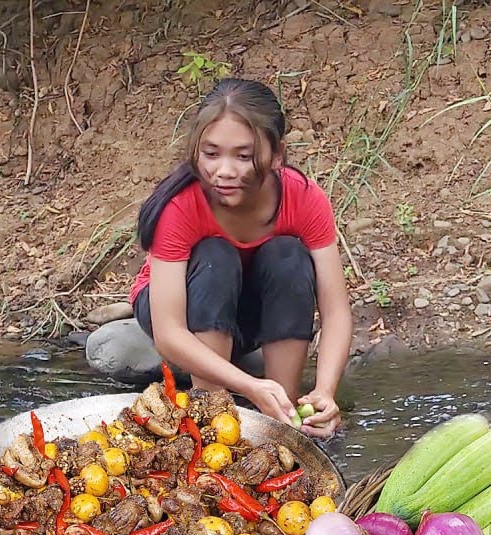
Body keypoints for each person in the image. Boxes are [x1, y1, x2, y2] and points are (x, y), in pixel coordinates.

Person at [128, 78, 352, 439]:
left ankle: (286, 410)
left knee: (288, 254)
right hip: (180, 308)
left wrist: (325, 392)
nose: (224, 171)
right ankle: (211, 408)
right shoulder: (180, 205)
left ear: (276, 154)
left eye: (244, 156)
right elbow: (169, 333)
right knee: (217, 255)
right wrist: (248, 385)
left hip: (249, 311)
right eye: (211, 154)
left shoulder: (303, 197)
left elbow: (337, 311)